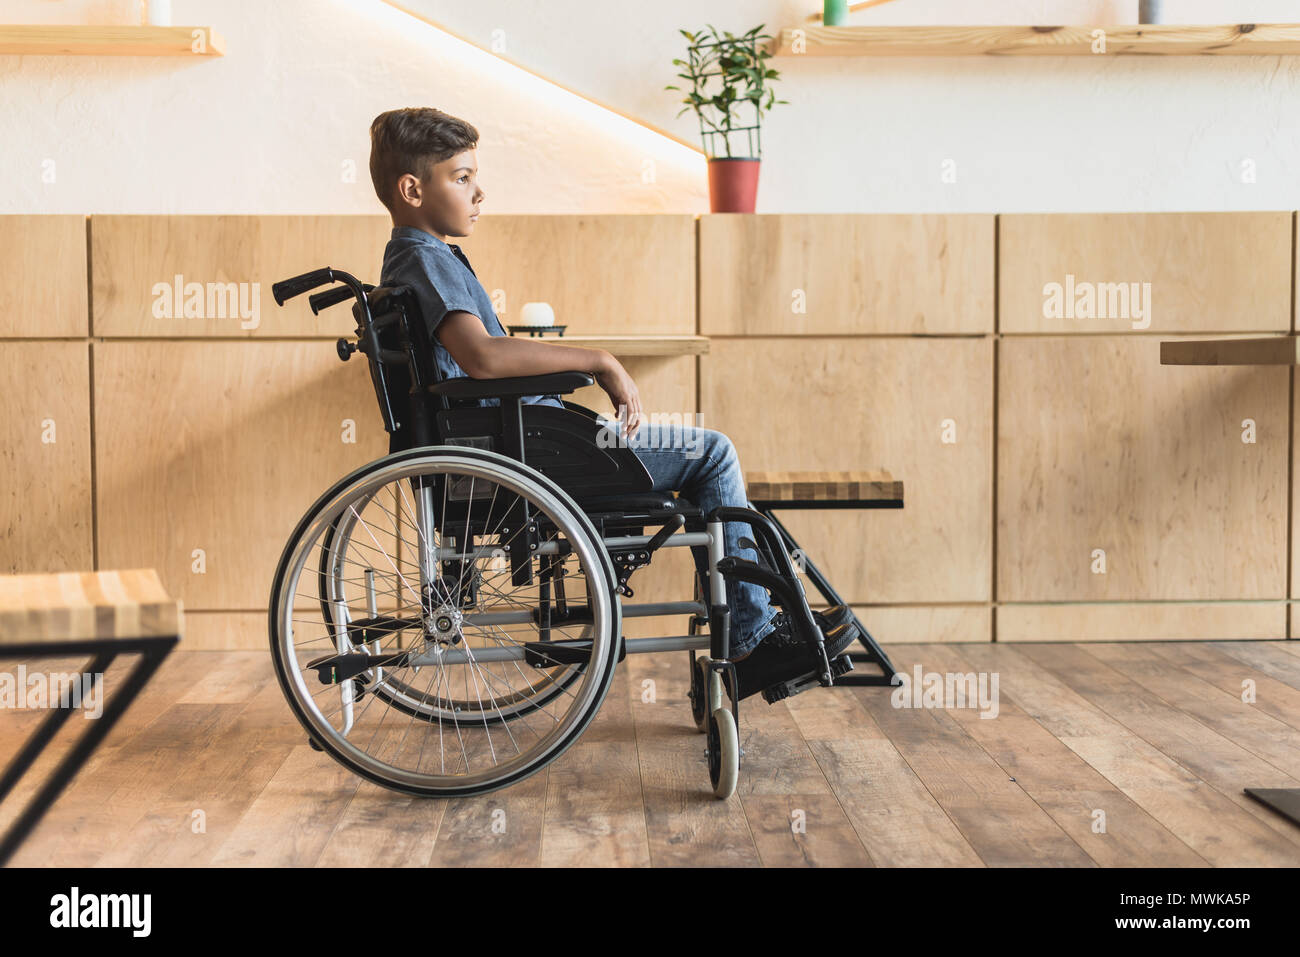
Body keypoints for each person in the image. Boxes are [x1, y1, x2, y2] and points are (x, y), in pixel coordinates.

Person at [367, 106, 858, 701]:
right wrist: (598, 359)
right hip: (534, 452)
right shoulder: (424, 257)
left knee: (703, 468)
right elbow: (483, 358)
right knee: (714, 455)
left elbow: (479, 356)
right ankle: (753, 639)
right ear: (413, 189)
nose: (480, 192)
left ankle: (756, 624)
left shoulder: (420, 257)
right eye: (463, 177)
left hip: (524, 441)